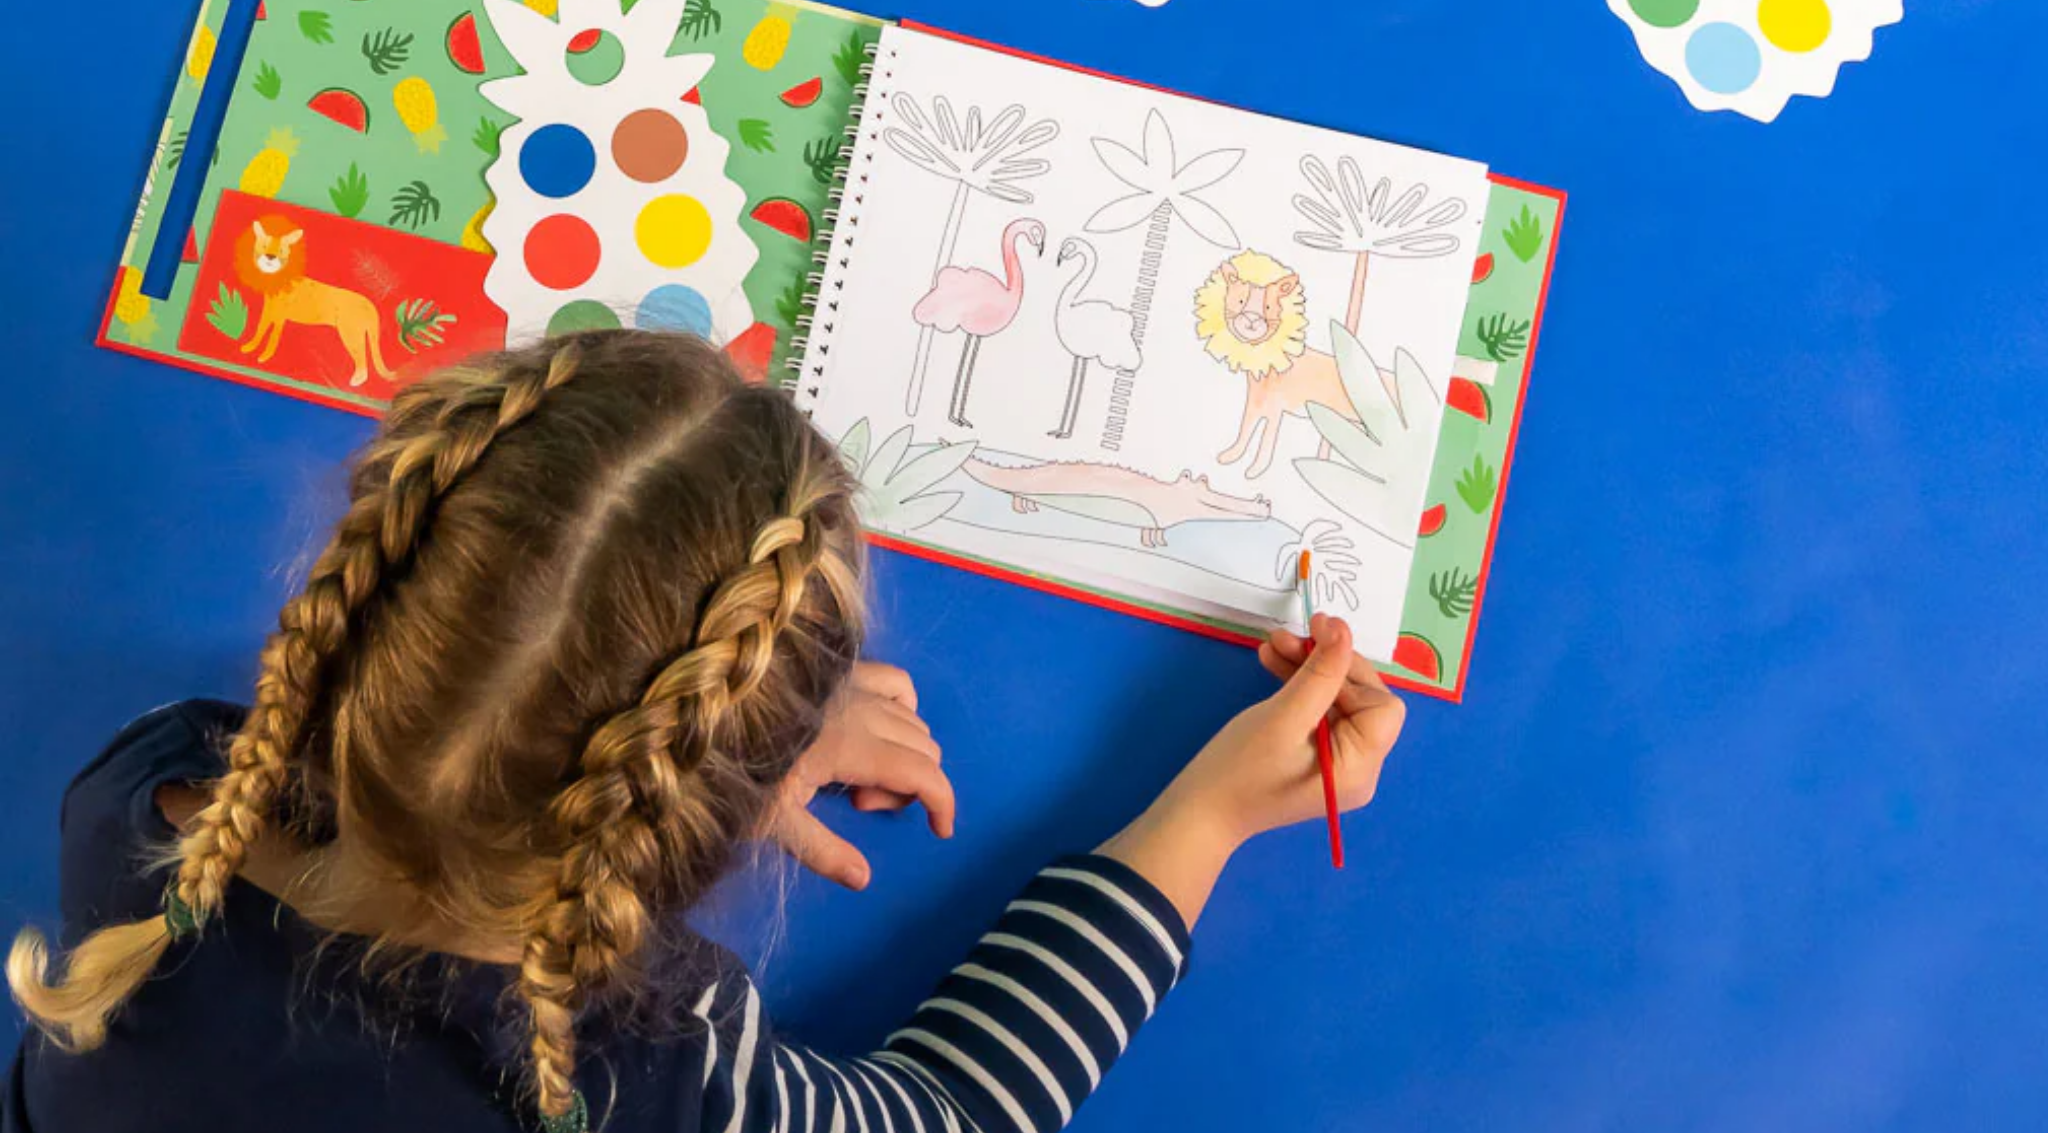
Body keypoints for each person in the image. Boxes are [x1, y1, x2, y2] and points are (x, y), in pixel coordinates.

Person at [6, 330, 1404, 1132]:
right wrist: (1202, 819)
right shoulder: (649, 1066)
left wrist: (708, 759)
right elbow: (950, 1117)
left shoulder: (158, 798)